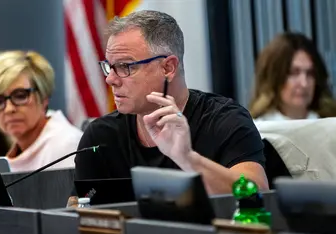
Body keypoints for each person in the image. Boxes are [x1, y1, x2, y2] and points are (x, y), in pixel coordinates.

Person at [69, 10, 268, 206]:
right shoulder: (100, 137)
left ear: (168, 68)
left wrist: (187, 158)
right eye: (109, 66)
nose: (110, 79)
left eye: (125, 67)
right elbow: (75, 214)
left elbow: (258, 194)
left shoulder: (225, 120)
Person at [0, 50, 83, 172]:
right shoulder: (19, 148)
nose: (9, 109)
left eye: (20, 96)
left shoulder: (66, 145)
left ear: (43, 97)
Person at [249, 32, 336, 121]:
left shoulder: (330, 124)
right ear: (274, 77)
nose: (304, 83)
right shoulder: (257, 130)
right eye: (294, 73)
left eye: (310, 73)